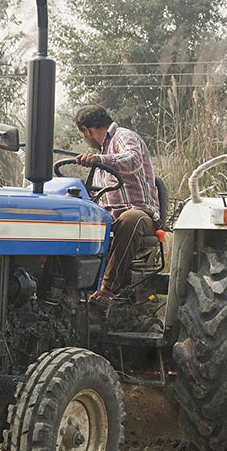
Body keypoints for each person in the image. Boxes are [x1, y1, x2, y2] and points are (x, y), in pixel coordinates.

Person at [73, 104, 160, 308]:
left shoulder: (123, 136)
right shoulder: (102, 152)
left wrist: (99, 159)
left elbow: (134, 159)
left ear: (87, 131)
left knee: (130, 218)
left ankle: (106, 289)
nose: (84, 139)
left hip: (142, 214)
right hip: (110, 218)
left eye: (82, 135)